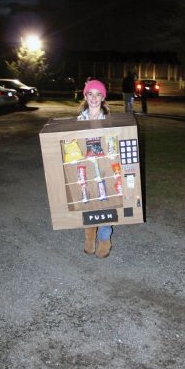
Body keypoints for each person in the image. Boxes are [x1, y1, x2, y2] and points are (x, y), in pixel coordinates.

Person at [77, 79, 113, 258]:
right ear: (85, 96)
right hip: (85, 168)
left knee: (105, 203)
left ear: (103, 98)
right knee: (88, 203)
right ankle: (89, 237)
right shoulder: (77, 121)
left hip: (104, 169)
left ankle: (105, 239)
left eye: (98, 94)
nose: (94, 98)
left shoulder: (109, 120)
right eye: (90, 94)